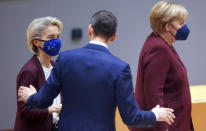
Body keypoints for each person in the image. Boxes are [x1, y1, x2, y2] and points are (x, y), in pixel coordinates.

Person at [18, 10, 175, 131]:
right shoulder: (120, 68)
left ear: (90, 30)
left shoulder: (65, 59)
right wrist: (155, 114)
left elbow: (43, 100)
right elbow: (130, 117)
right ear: (114, 36)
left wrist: (31, 97)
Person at [129, 1, 193, 131]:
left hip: (176, 120)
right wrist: (162, 128)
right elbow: (153, 93)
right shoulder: (158, 48)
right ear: (168, 26)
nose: (184, 27)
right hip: (168, 125)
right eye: (181, 23)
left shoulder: (164, 44)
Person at [14, 16, 63, 131]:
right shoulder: (29, 71)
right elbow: (24, 110)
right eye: (51, 37)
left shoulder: (56, 67)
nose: (56, 41)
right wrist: (53, 109)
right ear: (36, 42)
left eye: (58, 37)